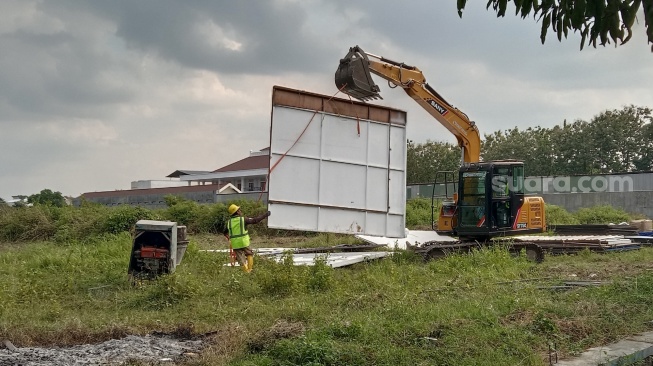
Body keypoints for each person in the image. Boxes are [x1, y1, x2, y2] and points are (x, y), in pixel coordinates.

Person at [223, 204, 271, 273]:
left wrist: (229, 239)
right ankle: (250, 269)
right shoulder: (243, 219)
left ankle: (246, 272)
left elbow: (225, 232)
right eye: (239, 210)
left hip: (235, 244)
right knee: (249, 254)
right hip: (244, 242)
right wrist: (265, 215)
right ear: (237, 212)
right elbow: (255, 220)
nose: (240, 211)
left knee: (240, 260)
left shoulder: (229, 222)